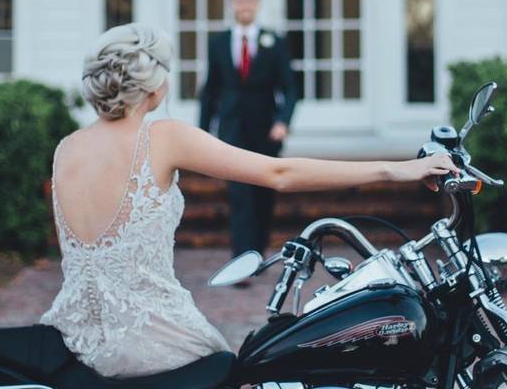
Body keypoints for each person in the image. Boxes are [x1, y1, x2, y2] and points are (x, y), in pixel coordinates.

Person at [39, 23, 458, 378]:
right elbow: (279, 173)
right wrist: (396, 169)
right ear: (153, 85)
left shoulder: (67, 148)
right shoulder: (162, 137)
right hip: (154, 340)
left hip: (74, 335)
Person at [198, 0, 297, 256]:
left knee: (264, 193)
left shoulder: (274, 41)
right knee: (239, 193)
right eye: (240, 1)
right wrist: (203, 132)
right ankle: (243, 256)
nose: (244, 6)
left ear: (257, 5)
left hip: (266, 129)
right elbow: (211, 91)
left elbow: (290, 89)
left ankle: (258, 248)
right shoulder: (219, 42)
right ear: (232, 5)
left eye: (249, 1)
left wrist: (283, 122)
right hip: (232, 128)